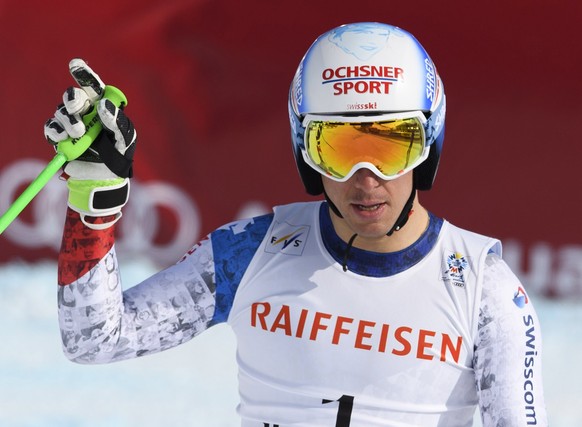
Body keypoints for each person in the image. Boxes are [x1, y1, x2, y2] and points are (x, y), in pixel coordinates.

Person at [44, 22, 548, 426]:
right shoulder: (250, 253)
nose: (365, 180)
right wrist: (95, 201)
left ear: (428, 148)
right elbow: (96, 340)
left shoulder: (487, 292)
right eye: (339, 149)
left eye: (394, 146)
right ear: (306, 154)